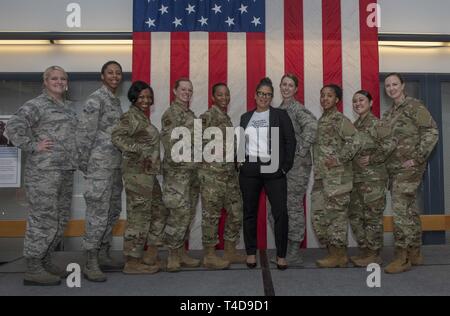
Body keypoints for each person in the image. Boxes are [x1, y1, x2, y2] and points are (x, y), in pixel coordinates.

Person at [6, 66, 77, 286]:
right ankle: (33, 268)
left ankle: (46, 260)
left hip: (64, 171)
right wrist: (33, 145)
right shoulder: (36, 105)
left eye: (63, 78)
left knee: (60, 219)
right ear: (45, 82)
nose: (59, 81)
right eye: (54, 78)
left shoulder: (68, 108)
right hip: (43, 173)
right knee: (42, 219)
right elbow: (12, 126)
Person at [382, 73, 439, 274]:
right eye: (388, 85)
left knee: (400, 210)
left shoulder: (414, 106)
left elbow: (432, 131)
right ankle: (415, 252)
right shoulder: (389, 114)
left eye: (395, 84)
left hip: (410, 168)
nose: (391, 88)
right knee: (409, 209)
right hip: (395, 170)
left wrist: (418, 157)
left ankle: (402, 257)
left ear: (402, 85)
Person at [239, 77, 296, 270]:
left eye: (268, 94)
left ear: (272, 97)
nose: (264, 97)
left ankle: (281, 255)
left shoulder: (280, 115)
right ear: (255, 95)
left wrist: (284, 167)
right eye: (261, 94)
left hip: (274, 170)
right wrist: (240, 163)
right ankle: (250, 253)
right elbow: (241, 143)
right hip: (250, 170)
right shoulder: (245, 117)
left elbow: (290, 142)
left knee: (280, 212)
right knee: (249, 212)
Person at [112, 81, 167, 274]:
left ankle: (151, 253)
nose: (146, 100)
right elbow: (117, 137)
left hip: (149, 175)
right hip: (137, 175)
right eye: (142, 97)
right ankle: (132, 262)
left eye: (148, 97)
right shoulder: (130, 117)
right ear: (133, 97)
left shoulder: (142, 118)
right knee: (138, 218)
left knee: (159, 211)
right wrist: (139, 150)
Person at [77, 61, 124, 282]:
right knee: (97, 215)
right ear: (102, 76)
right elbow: (85, 134)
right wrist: (87, 164)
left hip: (114, 166)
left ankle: (103, 253)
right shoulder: (96, 99)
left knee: (112, 211)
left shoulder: (114, 101)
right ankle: (90, 261)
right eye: (110, 73)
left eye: (118, 73)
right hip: (99, 168)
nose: (114, 76)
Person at [311, 84, 360, 268]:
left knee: (336, 218)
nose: (325, 98)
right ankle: (333, 251)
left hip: (337, 180)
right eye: (322, 95)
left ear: (337, 100)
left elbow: (355, 140)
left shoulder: (340, 120)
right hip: (321, 178)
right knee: (318, 216)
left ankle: (339, 255)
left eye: (329, 95)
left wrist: (339, 159)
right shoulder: (322, 120)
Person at [271, 74, 317, 266]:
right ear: (280, 87)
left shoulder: (297, 109)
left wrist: (300, 150)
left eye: (290, 85)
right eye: (284, 84)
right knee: (277, 210)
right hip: (281, 167)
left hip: (297, 168)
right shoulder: (278, 110)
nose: (287, 88)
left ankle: (294, 252)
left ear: (296, 89)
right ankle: (284, 248)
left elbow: (312, 126)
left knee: (293, 207)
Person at [198, 83, 245, 270]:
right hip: (212, 177)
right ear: (213, 97)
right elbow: (193, 143)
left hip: (229, 176)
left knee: (236, 211)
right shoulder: (207, 117)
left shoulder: (226, 119)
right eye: (220, 94)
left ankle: (229, 251)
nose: (224, 98)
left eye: (226, 94)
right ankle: (209, 255)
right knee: (211, 216)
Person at [348, 90, 395, 267]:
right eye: (355, 101)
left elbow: (391, 143)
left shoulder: (377, 123)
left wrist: (373, 158)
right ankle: (365, 250)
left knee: (372, 217)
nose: (357, 103)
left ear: (371, 102)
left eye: (361, 100)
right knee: (357, 216)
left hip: (373, 179)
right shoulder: (354, 126)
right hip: (357, 180)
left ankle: (374, 254)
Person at [160, 78, 201, 272]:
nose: (187, 92)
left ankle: (182, 252)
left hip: (192, 174)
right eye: (183, 89)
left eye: (190, 90)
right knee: (177, 214)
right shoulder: (171, 114)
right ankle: (172, 255)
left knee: (189, 213)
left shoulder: (191, 114)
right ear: (175, 90)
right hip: (177, 174)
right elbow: (171, 146)